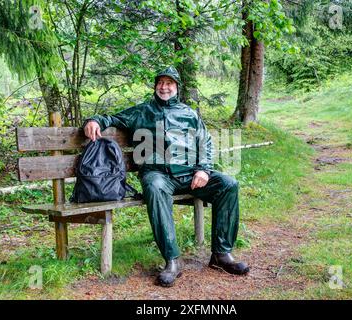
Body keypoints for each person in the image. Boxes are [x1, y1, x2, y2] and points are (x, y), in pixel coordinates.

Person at [83, 66, 249, 287]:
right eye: (160, 82)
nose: (164, 87)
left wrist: (203, 169)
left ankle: (221, 254)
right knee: (154, 186)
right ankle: (172, 260)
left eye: (169, 83)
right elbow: (112, 118)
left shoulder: (189, 114)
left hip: (190, 175)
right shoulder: (141, 112)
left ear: (177, 87)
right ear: (155, 86)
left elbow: (205, 143)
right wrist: (95, 120)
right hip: (158, 174)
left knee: (228, 184)